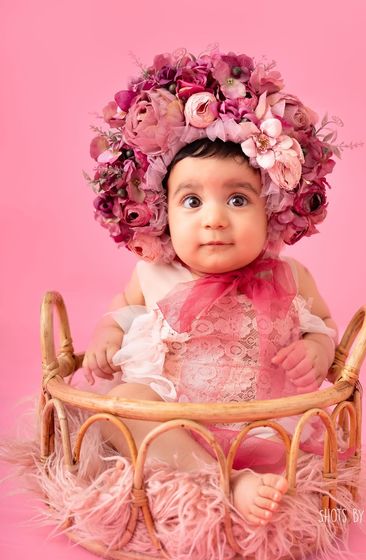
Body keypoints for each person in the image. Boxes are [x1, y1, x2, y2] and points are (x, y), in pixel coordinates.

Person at [81, 46, 340, 528]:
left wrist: (317, 348)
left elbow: (323, 323)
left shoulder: (288, 275)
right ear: (162, 213)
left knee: (291, 445)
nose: (215, 219)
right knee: (125, 403)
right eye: (192, 201)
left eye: (238, 200)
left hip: (260, 429)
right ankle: (224, 480)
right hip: (175, 428)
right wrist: (106, 337)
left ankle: (242, 475)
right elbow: (121, 311)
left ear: (272, 210)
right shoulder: (153, 273)